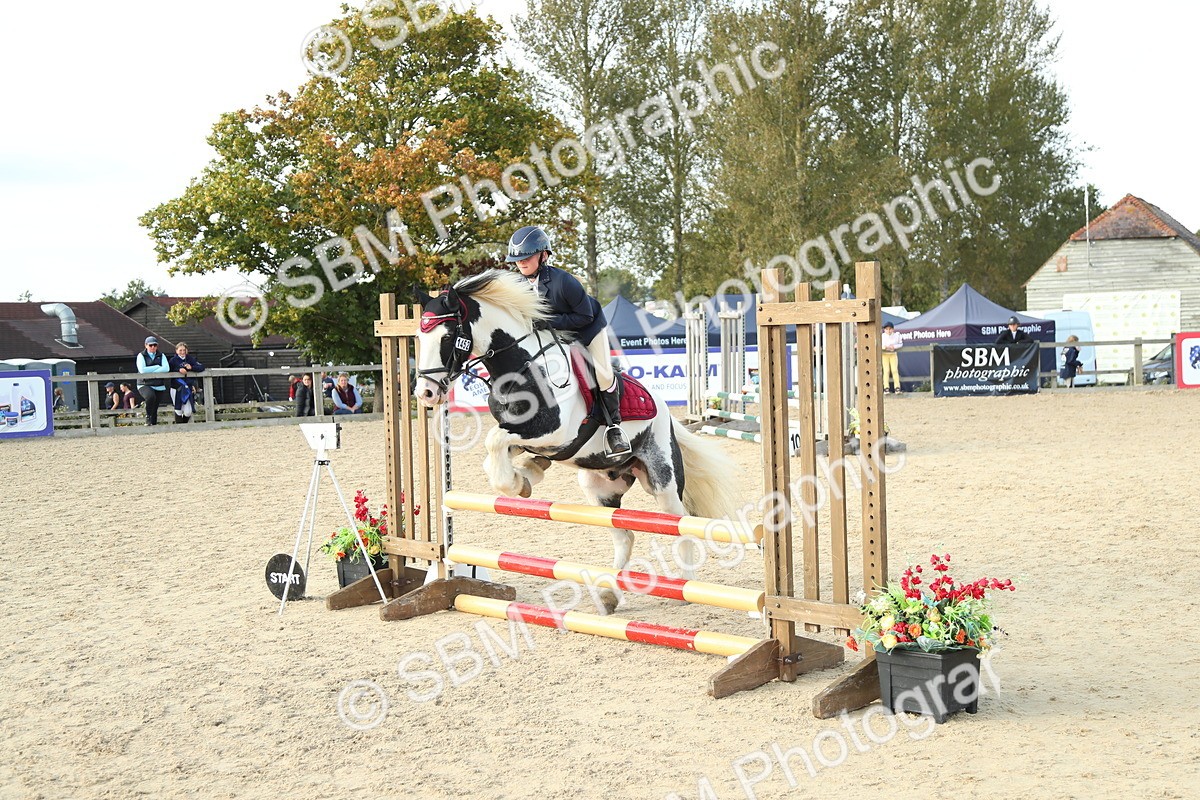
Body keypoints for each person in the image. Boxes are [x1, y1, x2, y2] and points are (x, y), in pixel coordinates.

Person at [506, 225, 630, 456]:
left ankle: (614, 427)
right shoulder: (517, 285)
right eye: (517, 259)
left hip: (588, 329)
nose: (521, 262)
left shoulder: (563, 281)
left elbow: (585, 316)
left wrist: (550, 322)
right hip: (552, 334)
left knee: (602, 373)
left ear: (543, 255)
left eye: (526, 257)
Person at [135, 336, 171, 425]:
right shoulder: (141, 355)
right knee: (151, 397)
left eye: (155, 345)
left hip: (159, 384)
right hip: (144, 383)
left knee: (155, 407)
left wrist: (150, 369)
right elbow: (142, 370)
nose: (153, 347)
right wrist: (157, 367)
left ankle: (153, 425)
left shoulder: (161, 355)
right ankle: (147, 416)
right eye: (150, 345)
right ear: (146, 345)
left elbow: (166, 368)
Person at [168, 342, 205, 424]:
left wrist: (191, 367)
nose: (182, 352)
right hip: (176, 387)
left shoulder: (190, 359)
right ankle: (179, 428)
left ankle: (183, 425)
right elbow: (168, 370)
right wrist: (178, 370)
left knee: (188, 411)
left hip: (187, 387)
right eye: (180, 350)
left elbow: (201, 367)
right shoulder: (173, 360)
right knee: (178, 409)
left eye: (184, 350)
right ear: (176, 351)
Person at [882, 322, 904, 394]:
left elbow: (900, 344)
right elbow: (879, 344)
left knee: (894, 370)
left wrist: (894, 347)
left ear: (893, 329)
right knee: (886, 371)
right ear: (884, 330)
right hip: (884, 354)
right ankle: (886, 388)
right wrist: (885, 347)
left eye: (890, 329)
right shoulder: (882, 336)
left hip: (893, 354)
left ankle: (897, 388)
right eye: (887, 329)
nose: (888, 331)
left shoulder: (896, 335)